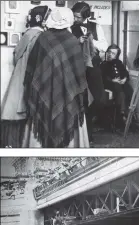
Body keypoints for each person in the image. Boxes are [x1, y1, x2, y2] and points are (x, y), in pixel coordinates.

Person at [23, 7, 89, 148]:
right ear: (69, 20)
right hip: (68, 94)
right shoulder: (72, 41)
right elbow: (79, 73)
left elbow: (31, 69)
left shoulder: (43, 38)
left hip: (43, 93)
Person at [1, 5, 51, 148]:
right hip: (31, 75)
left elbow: (16, 55)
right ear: (40, 19)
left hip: (23, 74)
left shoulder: (30, 34)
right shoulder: (37, 34)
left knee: (19, 109)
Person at [71, 1, 108, 142]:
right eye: (74, 16)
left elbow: (104, 46)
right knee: (82, 101)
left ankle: (89, 123)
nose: (75, 19)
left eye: (78, 17)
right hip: (77, 67)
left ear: (85, 16)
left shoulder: (96, 26)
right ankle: (88, 136)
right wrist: (77, 41)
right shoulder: (69, 27)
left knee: (101, 100)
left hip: (93, 66)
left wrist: (91, 42)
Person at [100, 44, 133, 125]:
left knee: (129, 89)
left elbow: (125, 73)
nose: (110, 54)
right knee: (119, 90)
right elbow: (102, 78)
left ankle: (129, 112)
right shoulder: (103, 65)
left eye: (113, 53)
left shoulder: (119, 63)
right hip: (110, 85)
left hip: (120, 84)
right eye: (109, 52)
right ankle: (122, 113)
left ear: (116, 56)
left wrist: (124, 78)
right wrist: (112, 80)